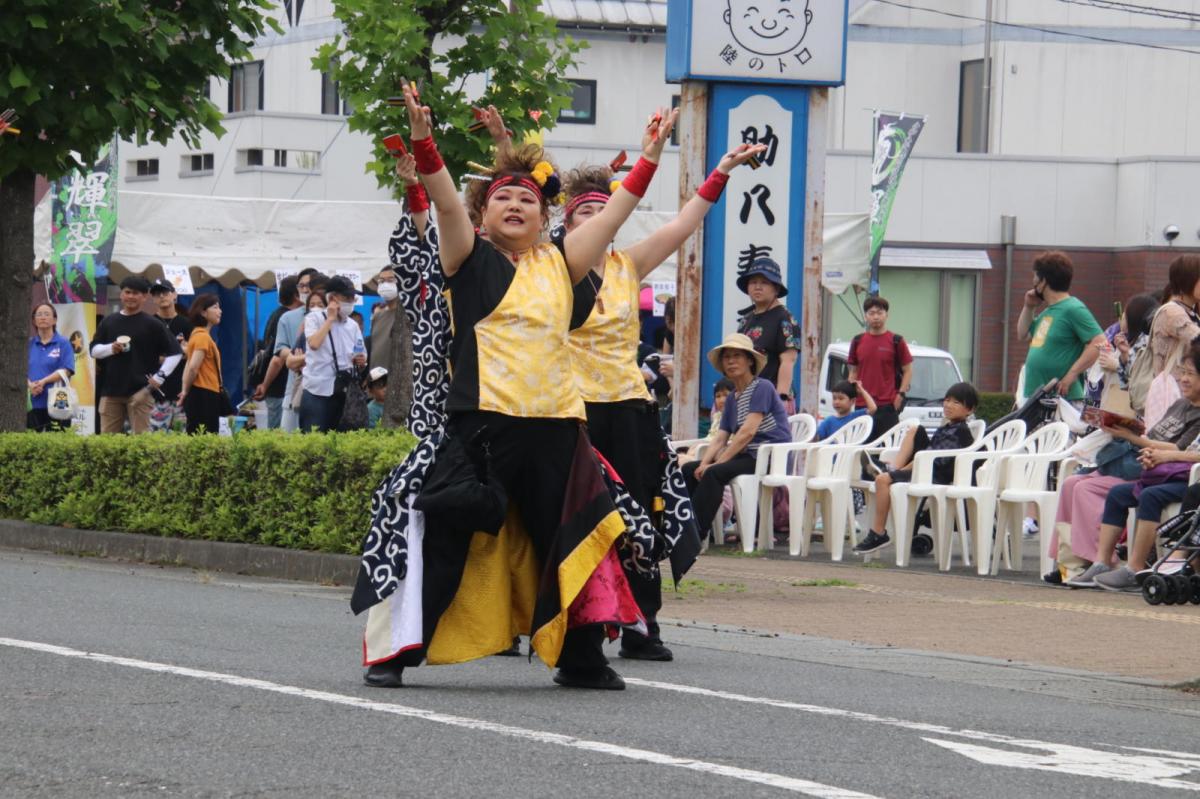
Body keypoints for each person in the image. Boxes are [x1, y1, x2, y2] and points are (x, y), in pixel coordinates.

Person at [361, 85, 676, 691]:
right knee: (448, 536)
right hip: (481, 428)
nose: (513, 205)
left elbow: (614, 213)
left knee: (577, 540)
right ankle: (396, 654)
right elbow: (448, 208)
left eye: (525, 199)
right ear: (484, 216)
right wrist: (426, 146)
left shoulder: (563, 262)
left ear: (544, 216)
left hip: (558, 430)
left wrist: (651, 157)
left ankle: (581, 656)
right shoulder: (467, 258)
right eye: (501, 197)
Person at [561, 143, 759, 663]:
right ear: (563, 222)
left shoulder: (628, 265)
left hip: (629, 407)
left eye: (604, 209)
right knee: (575, 517)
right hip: (571, 409)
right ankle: (553, 622)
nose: (596, 218)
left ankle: (642, 623)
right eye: (583, 212)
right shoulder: (550, 268)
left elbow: (682, 226)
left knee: (643, 518)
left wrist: (720, 172)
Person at [1068, 345, 1200, 591]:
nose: (1183, 378)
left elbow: (1178, 449)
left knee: (1150, 496)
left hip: (1183, 478)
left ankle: (1135, 568)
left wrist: (1141, 444)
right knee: (1119, 494)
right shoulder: (1179, 406)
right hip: (1159, 470)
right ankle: (1101, 562)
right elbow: (1158, 438)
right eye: (1182, 372)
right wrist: (1148, 450)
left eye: (1190, 374)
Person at [682, 333, 791, 538]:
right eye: (727, 357)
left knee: (714, 473)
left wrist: (716, 464)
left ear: (750, 360)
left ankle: (693, 536)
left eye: (737, 356)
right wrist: (704, 462)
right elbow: (721, 437)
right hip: (747, 456)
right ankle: (689, 529)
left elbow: (747, 433)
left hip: (768, 456)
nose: (731, 361)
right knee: (690, 469)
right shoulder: (732, 398)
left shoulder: (762, 387)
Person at [853, 382, 979, 555]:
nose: (948, 405)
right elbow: (927, 454)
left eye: (956, 403)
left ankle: (879, 533)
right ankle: (890, 467)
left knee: (883, 480)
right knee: (914, 430)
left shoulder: (960, 432)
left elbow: (932, 459)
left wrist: (896, 474)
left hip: (934, 475)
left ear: (969, 410)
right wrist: (898, 470)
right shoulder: (947, 428)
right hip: (925, 467)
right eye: (947, 400)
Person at [91, 276, 183, 434]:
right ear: (121, 295)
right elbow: (94, 350)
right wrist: (111, 348)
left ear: (144, 297)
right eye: (127, 292)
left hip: (142, 392)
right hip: (111, 391)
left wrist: (159, 377)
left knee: (142, 442)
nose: (131, 296)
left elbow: (176, 353)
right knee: (107, 442)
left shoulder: (153, 324)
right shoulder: (109, 321)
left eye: (136, 293)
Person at [1017, 250, 1106, 403]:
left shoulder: (1073, 308)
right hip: (1037, 396)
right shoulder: (1048, 312)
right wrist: (1029, 306)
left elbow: (1099, 341)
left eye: (1035, 276)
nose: (1033, 281)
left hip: (1063, 398)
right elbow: (1023, 334)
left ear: (1044, 281)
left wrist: (1071, 374)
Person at [300, 275, 366, 433]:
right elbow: (314, 344)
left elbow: (362, 355)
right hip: (317, 390)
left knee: (342, 442)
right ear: (332, 298)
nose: (350, 301)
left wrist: (361, 360)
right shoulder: (313, 318)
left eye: (352, 297)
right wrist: (329, 319)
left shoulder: (352, 325)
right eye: (346, 297)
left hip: (344, 392)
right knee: (314, 442)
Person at [736, 258, 801, 412]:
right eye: (753, 282)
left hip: (773, 398)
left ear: (776, 289)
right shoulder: (746, 319)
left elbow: (788, 360)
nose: (758, 287)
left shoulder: (784, 318)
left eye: (764, 282)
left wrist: (781, 398)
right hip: (747, 396)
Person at [847, 296, 913, 442]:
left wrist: (900, 394)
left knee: (887, 450)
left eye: (880, 312)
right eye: (871, 313)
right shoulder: (857, 341)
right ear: (866, 316)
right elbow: (853, 371)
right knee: (860, 449)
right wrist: (850, 390)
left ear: (886, 315)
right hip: (862, 405)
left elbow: (908, 370)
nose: (876, 317)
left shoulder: (897, 340)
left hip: (887, 405)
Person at [274, 270, 325, 432]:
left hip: (324, 388)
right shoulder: (288, 318)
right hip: (295, 385)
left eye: (308, 286)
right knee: (290, 436)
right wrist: (293, 358)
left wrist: (301, 358)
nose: (304, 290)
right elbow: (280, 349)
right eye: (300, 286)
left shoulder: (333, 320)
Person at [252, 275, 300, 429]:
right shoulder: (285, 318)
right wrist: (265, 385)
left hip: (277, 387)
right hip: (279, 386)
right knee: (280, 435)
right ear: (296, 295)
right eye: (302, 288)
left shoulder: (276, 314)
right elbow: (277, 358)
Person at [148, 278, 193, 433]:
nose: (162, 296)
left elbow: (193, 355)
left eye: (165, 292)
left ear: (174, 294)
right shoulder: (149, 323)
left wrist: (164, 356)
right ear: (153, 298)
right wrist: (180, 353)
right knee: (156, 442)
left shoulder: (187, 324)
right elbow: (146, 356)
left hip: (182, 393)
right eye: (157, 294)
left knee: (182, 443)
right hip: (156, 393)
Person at [177, 294, 225, 435]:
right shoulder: (202, 337)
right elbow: (192, 367)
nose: (220, 311)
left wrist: (185, 390)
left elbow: (189, 365)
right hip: (204, 393)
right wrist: (185, 390)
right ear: (203, 312)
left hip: (201, 392)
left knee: (198, 435)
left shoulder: (197, 335)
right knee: (206, 437)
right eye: (215, 307)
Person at [26, 304, 76, 432]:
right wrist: (30, 385)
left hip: (58, 403)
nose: (43, 317)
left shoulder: (63, 343)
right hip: (32, 403)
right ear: (34, 320)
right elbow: (19, 370)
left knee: (56, 444)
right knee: (31, 443)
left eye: (47, 314)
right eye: (39, 314)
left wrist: (43, 381)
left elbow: (67, 370)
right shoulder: (28, 344)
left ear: (54, 320)